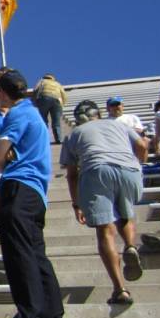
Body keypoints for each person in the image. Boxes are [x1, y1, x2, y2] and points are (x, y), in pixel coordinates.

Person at [0, 70, 68, 318]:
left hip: (19, 187)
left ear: (3, 92)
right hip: (36, 193)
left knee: (18, 252)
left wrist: (0, 156)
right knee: (37, 256)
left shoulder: (19, 113)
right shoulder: (32, 113)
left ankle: (28, 316)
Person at [60, 100, 147, 305]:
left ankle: (120, 289)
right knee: (125, 213)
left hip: (96, 170)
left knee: (105, 230)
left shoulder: (73, 134)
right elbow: (142, 145)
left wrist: (76, 204)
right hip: (129, 169)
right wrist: (138, 164)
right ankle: (130, 246)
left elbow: (72, 175)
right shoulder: (119, 124)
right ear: (98, 113)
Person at [32, 74, 66, 144]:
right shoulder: (57, 84)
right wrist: (62, 105)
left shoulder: (42, 81)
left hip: (44, 98)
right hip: (57, 101)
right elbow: (64, 95)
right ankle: (58, 139)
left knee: (43, 120)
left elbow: (35, 90)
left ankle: (44, 139)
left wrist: (34, 102)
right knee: (56, 122)